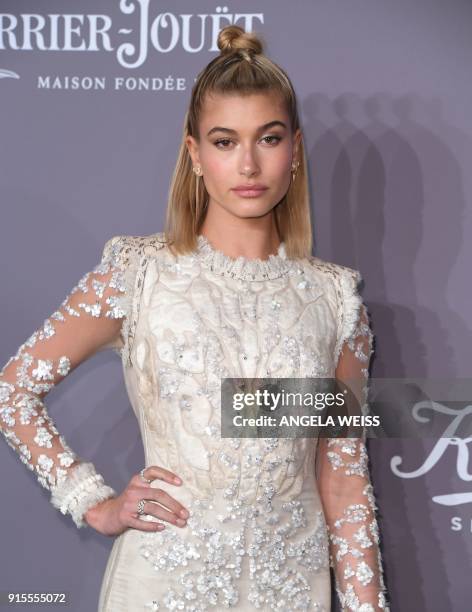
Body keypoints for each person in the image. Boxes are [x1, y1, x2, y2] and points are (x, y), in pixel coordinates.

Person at [0, 24, 390, 612]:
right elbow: (12, 392)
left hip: (291, 590)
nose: (250, 164)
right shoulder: (139, 274)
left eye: (270, 138)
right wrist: (92, 500)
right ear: (195, 154)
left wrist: (369, 608)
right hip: (165, 585)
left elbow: (342, 478)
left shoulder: (335, 301)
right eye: (226, 141)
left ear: (296, 149)